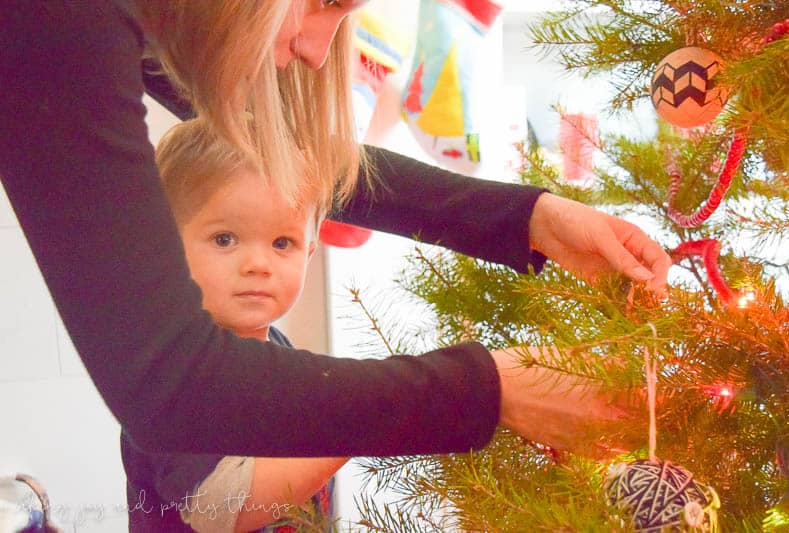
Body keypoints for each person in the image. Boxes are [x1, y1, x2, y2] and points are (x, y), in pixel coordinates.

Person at [0, 1, 671, 460]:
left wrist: (531, 218)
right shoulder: (58, 18)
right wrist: (494, 389)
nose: (319, 54)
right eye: (322, 2)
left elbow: (306, 161)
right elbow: (172, 389)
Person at [122, 119, 341, 532]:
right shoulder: (175, 375)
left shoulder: (279, 350)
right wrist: (360, 429)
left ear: (309, 252)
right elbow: (220, 508)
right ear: (164, 244)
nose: (258, 265)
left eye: (282, 243)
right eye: (225, 239)